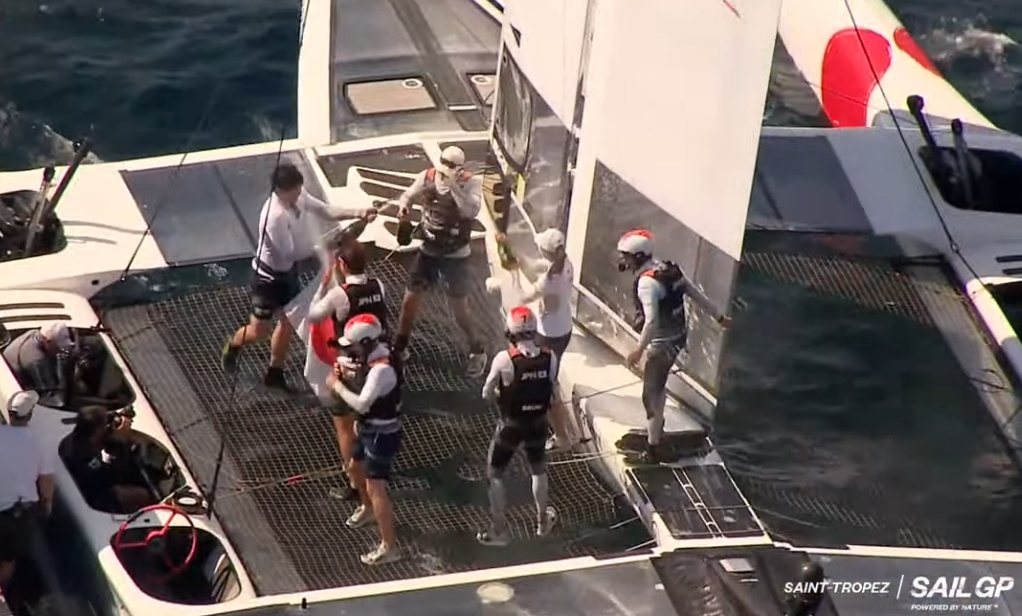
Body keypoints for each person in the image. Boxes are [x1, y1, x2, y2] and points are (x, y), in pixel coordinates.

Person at [221, 162, 377, 391]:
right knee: (259, 331)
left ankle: (275, 371)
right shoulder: (273, 217)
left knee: (288, 322)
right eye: (293, 191)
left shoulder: (299, 194)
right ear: (279, 191)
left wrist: (357, 212)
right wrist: (327, 244)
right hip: (267, 279)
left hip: (288, 275)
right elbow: (291, 253)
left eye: (299, 188)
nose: (298, 194)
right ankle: (233, 344)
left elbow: (324, 210)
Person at [616, 230, 731, 463]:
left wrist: (638, 350)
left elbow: (651, 321)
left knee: (650, 395)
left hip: (661, 346)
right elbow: (694, 293)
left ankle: (653, 448)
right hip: (678, 338)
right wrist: (719, 317)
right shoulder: (670, 269)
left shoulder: (646, 284)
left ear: (638, 256)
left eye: (626, 256)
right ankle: (657, 427)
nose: (623, 261)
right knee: (658, 389)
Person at [391, 146, 488, 377]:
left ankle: (477, 350)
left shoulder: (471, 184)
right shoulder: (427, 176)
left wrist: (454, 186)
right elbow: (407, 194)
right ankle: (400, 348)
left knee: (460, 310)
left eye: (450, 168)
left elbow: (470, 211)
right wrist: (405, 205)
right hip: (429, 251)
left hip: (456, 255)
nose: (444, 172)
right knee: (409, 302)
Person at [308, 241, 390, 502]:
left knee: (344, 427)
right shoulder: (380, 286)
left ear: (341, 266)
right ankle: (379, 465)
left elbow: (312, 315)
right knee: (375, 419)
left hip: (351, 370)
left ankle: (356, 484)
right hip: (380, 364)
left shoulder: (339, 295)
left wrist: (323, 284)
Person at [477, 306, 559, 546]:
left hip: (511, 425)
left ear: (510, 332)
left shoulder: (504, 359)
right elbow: (552, 390)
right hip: (538, 424)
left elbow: (486, 393)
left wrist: (501, 395)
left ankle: (499, 528)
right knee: (538, 470)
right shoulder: (550, 356)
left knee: (495, 473)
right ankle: (543, 521)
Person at [326, 314, 403, 565]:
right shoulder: (371, 355)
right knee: (354, 464)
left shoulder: (382, 369)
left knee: (376, 487)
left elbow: (362, 402)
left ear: (368, 342)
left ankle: (389, 546)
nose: (350, 352)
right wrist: (344, 371)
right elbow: (357, 372)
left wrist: (336, 385)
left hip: (382, 434)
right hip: (368, 427)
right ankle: (367, 508)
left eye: (353, 347)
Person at [513, 228, 576, 451]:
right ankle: (554, 384)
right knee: (551, 375)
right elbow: (536, 265)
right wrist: (519, 260)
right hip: (564, 329)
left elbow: (522, 296)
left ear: (547, 251)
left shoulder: (549, 282)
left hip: (549, 335)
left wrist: (513, 274)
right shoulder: (566, 263)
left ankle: (562, 438)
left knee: (545, 388)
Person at [0, 391, 55, 591]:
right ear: (30, 415)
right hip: (17, 514)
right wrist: (47, 505)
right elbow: (46, 479)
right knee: (8, 558)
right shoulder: (38, 443)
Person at [63, 406, 152, 514]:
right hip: (95, 494)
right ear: (95, 433)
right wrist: (120, 442)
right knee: (142, 494)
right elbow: (114, 474)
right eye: (104, 426)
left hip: (98, 478)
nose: (108, 428)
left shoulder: (81, 436)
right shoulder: (83, 458)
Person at [3, 323, 74, 406]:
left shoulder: (33, 333)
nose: (60, 351)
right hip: (15, 391)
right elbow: (54, 399)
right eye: (57, 348)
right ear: (48, 342)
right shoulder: (38, 362)